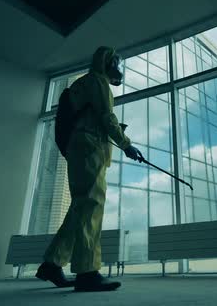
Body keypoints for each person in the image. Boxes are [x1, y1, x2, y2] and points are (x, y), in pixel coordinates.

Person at [35, 46, 143, 292]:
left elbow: (94, 117)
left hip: (81, 148)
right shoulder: (97, 81)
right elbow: (107, 118)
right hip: (88, 149)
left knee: (80, 208)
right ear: (108, 62)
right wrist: (127, 145)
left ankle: (52, 264)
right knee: (91, 205)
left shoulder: (85, 84)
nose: (120, 68)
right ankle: (87, 272)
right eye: (118, 63)